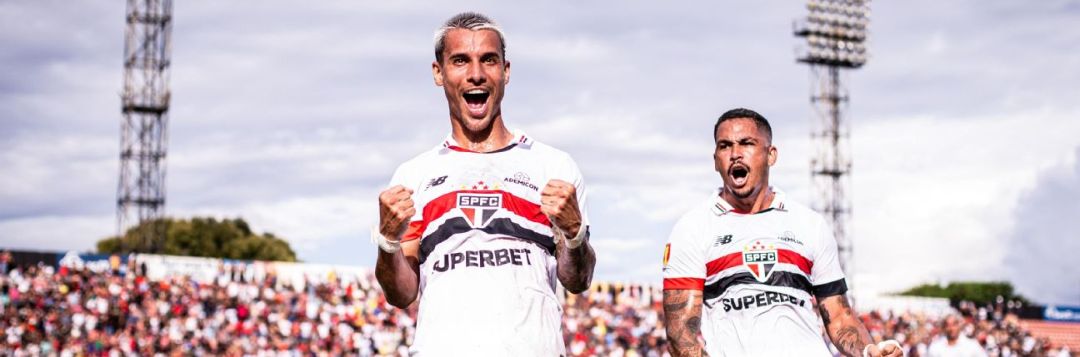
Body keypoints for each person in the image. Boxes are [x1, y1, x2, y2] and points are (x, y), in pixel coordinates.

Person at [372, 12, 596, 355]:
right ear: (438, 72)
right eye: (460, 60)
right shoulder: (414, 175)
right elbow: (401, 294)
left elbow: (577, 280)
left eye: (488, 60)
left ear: (506, 71)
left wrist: (574, 234)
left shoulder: (553, 166)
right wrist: (388, 242)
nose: (476, 74)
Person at [661, 108, 902, 357]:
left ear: (770, 155)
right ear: (715, 160)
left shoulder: (809, 224)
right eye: (725, 146)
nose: (735, 154)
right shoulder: (692, 228)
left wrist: (868, 350)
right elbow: (681, 335)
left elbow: (839, 317)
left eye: (747, 143)